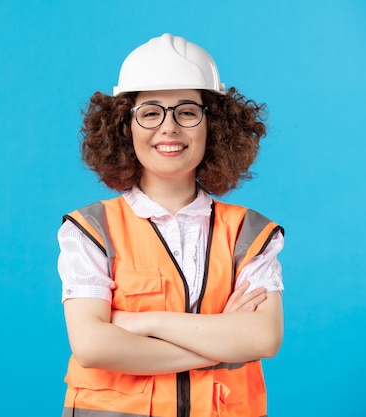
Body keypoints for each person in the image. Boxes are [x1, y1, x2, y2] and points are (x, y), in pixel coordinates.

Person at [57, 33, 284, 417]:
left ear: (214, 125)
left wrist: (145, 322)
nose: (169, 128)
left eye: (187, 112)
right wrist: (221, 338)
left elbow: (263, 337)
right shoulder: (90, 229)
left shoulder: (251, 232)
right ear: (123, 127)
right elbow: (93, 346)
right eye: (150, 112)